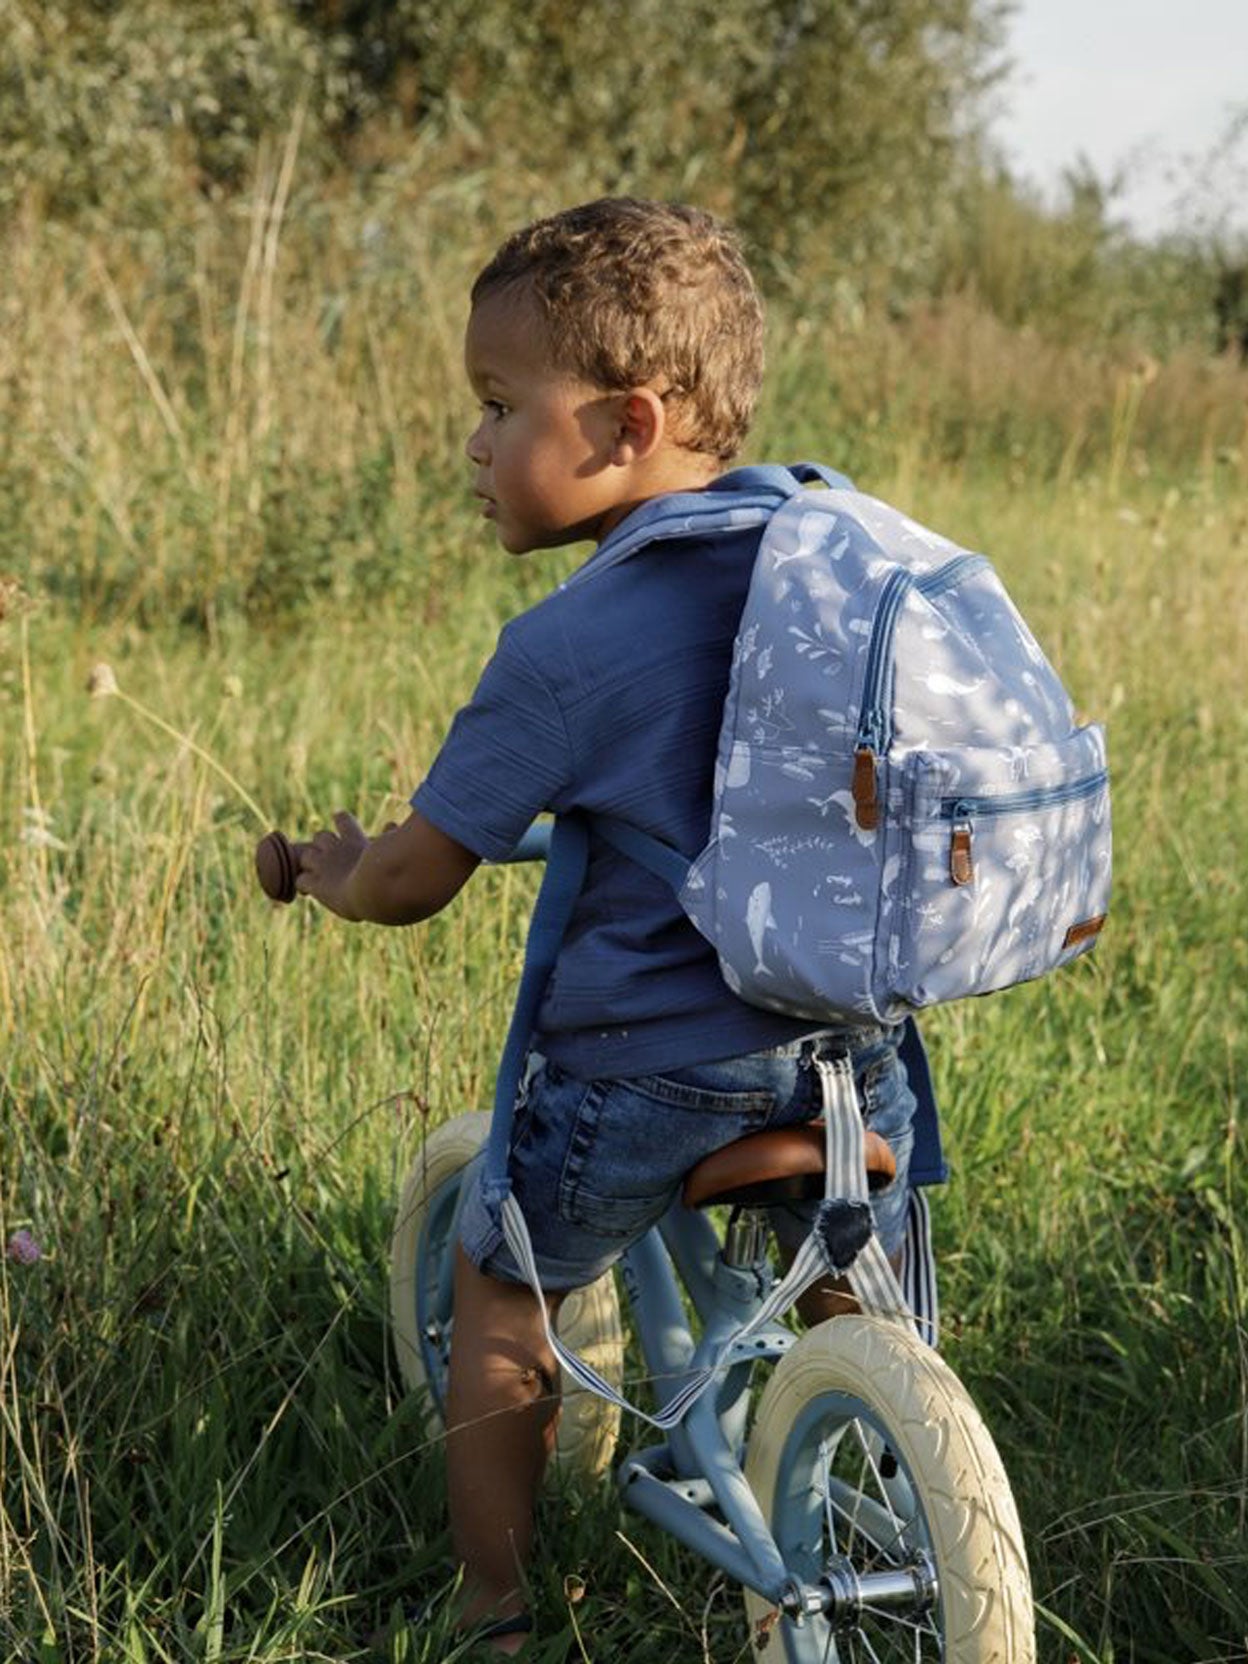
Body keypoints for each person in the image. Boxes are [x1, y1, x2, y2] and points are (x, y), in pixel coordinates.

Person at [292, 197, 917, 1653]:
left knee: (503, 1286)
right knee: (847, 1273)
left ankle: (493, 1605)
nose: (474, 443)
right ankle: (882, 1450)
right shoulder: (834, 572)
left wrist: (338, 871)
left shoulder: (566, 646)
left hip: (649, 1075)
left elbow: (413, 879)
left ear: (629, 425)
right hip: (852, 1050)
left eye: (499, 405)